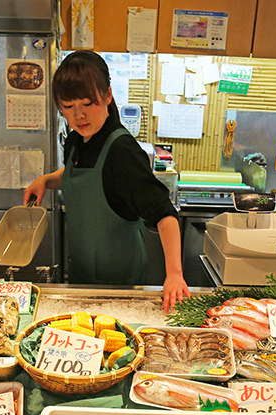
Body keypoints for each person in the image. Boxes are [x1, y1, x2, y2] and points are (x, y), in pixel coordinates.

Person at [24, 50, 190, 313]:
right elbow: (73, 174)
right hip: (81, 280)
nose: (79, 116)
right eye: (68, 107)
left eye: (88, 103)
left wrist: (174, 274)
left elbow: (164, 214)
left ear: (108, 95)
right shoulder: (77, 140)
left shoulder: (122, 151)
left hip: (120, 288)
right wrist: (46, 180)